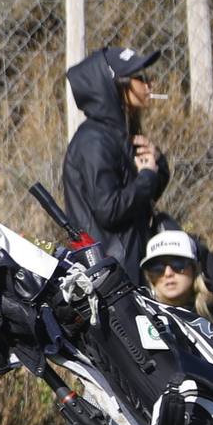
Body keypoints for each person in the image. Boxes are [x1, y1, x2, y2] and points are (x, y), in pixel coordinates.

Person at [61, 46, 170, 280]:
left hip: (126, 268)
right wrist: (146, 177)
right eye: (140, 78)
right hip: (108, 278)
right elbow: (109, 209)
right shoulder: (94, 141)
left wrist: (157, 164)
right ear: (116, 86)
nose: (149, 84)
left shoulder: (116, 135)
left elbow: (140, 200)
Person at [140, 229, 213, 363]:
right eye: (157, 267)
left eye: (177, 263)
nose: (168, 273)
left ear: (195, 268)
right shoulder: (142, 318)